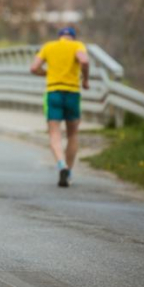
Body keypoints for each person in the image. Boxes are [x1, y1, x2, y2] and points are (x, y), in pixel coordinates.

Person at [30, 26, 89, 188]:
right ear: (73, 37)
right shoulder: (77, 46)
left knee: (54, 133)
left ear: (60, 37)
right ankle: (68, 172)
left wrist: (46, 73)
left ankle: (61, 164)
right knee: (73, 134)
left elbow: (34, 68)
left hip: (53, 93)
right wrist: (85, 79)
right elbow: (84, 60)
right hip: (72, 93)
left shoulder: (49, 47)